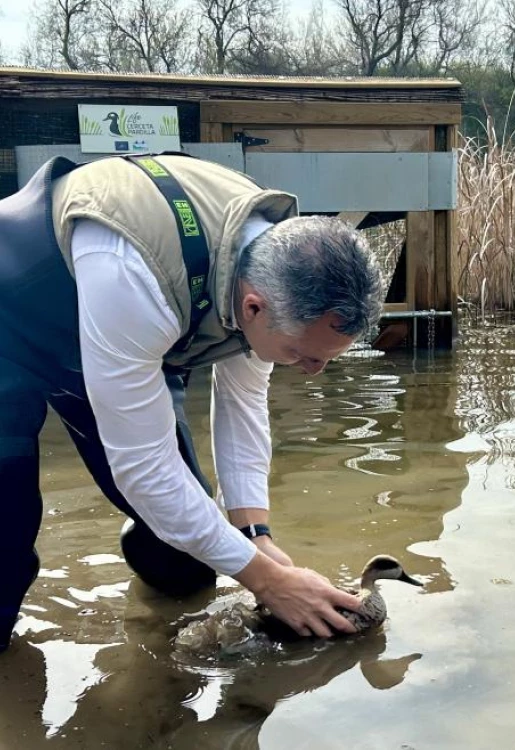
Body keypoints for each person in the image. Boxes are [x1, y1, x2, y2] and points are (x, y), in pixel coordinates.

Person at [0, 152, 383, 652]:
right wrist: (266, 581)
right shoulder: (133, 276)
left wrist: (256, 538)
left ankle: (152, 642)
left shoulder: (270, 271)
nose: (314, 371)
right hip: (13, 324)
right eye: (303, 355)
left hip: (121, 345)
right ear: (253, 308)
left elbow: (243, 404)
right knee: (5, 551)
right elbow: (145, 468)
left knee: (188, 559)